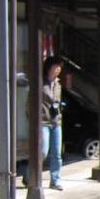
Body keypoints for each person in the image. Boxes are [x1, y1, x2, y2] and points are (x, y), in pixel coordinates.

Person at [39, 56, 64, 190]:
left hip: (56, 121)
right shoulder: (41, 82)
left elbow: (57, 102)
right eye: (56, 66)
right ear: (49, 67)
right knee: (42, 151)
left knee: (57, 153)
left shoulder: (58, 84)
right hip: (42, 121)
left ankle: (55, 180)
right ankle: (30, 175)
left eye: (60, 67)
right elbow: (30, 103)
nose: (58, 69)